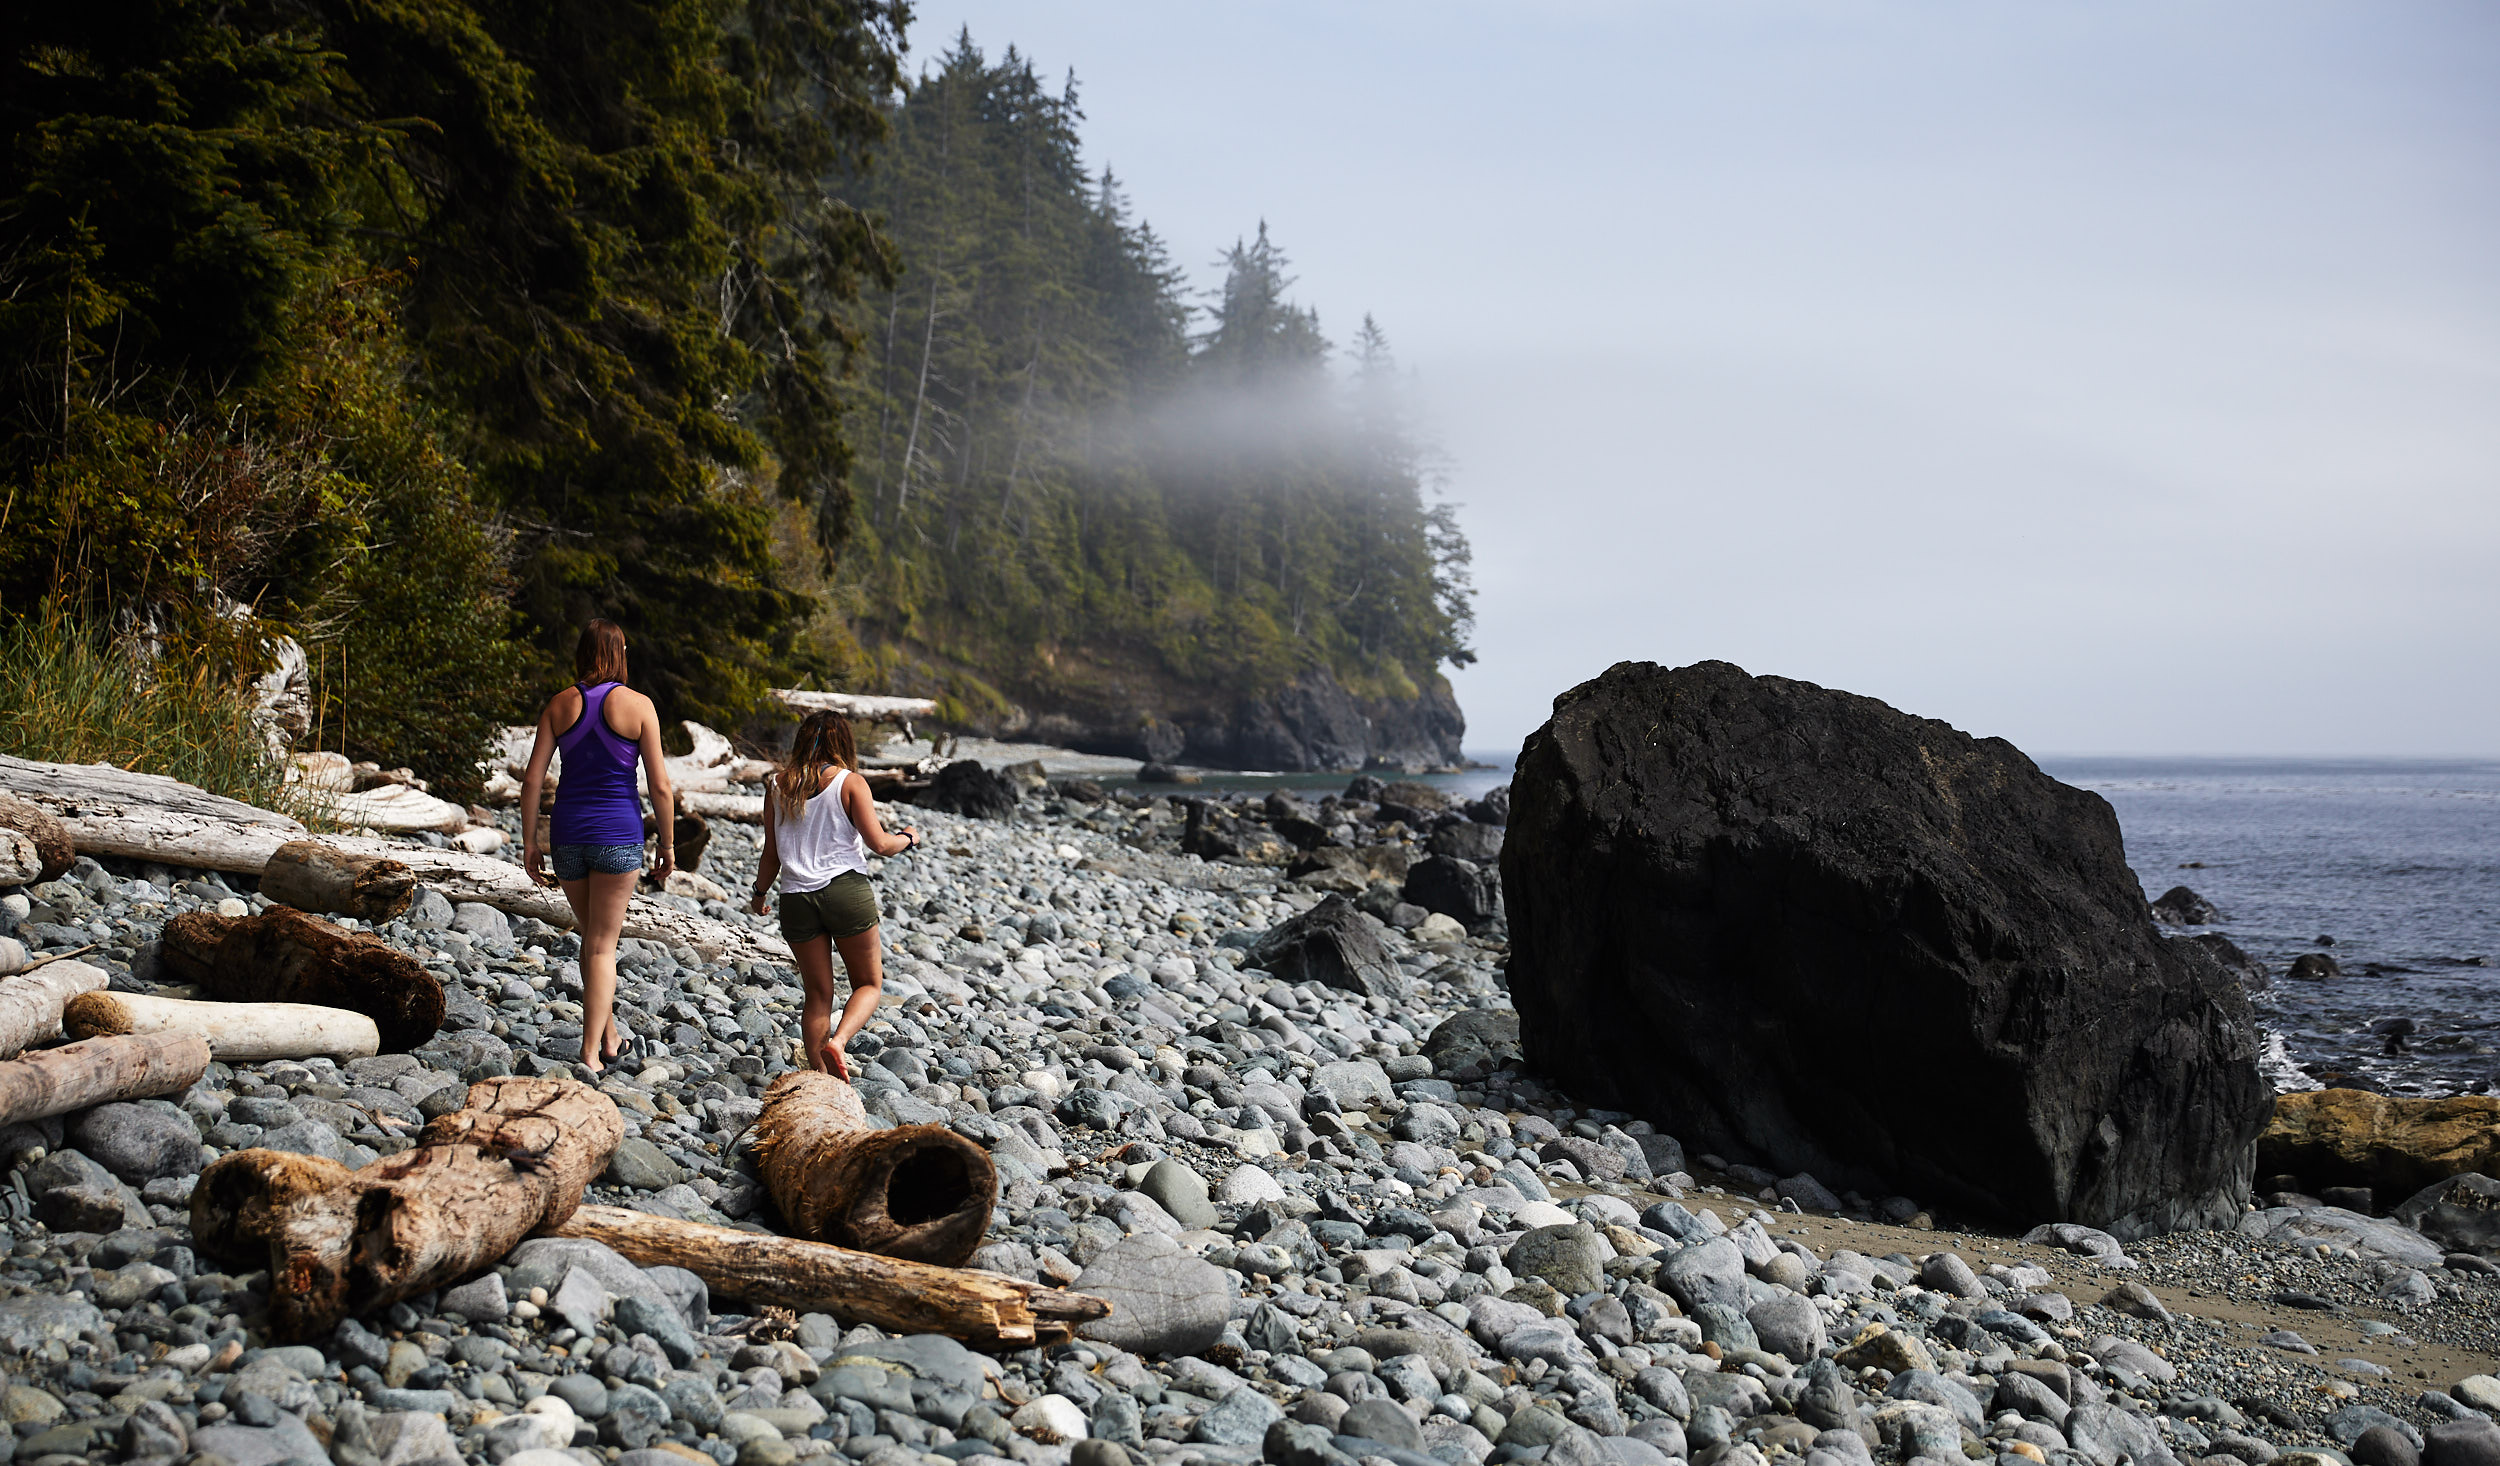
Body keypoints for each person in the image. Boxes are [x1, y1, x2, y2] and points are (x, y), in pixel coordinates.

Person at [518, 619, 675, 1073]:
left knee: (592, 939)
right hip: (617, 833)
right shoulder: (638, 705)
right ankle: (592, 1053)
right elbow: (660, 786)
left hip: (567, 833)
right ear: (620, 652)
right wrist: (667, 844)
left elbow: (533, 780)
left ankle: (610, 1037)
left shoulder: (559, 705)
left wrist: (530, 842)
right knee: (604, 945)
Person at [749, 711, 916, 1078]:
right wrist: (908, 836)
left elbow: (771, 853)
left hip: (795, 899)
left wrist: (759, 893)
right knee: (869, 983)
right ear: (844, 743)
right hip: (845, 892)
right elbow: (881, 845)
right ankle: (838, 1042)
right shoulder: (850, 782)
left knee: (818, 996)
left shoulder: (777, 786)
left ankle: (819, 1081)